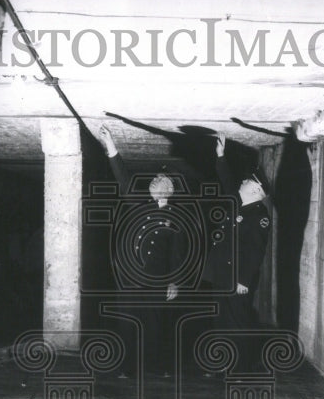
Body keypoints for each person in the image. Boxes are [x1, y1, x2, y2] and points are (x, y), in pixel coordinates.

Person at [95, 125, 188, 376]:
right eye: (154, 179)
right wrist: (111, 146)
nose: (155, 181)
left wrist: (175, 283)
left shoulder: (177, 218)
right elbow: (123, 179)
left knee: (154, 325)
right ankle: (126, 368)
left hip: (157, 281)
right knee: (127, 323)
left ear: (169, 189)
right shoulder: (139, 205)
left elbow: (177, 255)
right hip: (130, 279)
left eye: (160, 180)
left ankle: (154, 367)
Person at [201, 135, 272, 359]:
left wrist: (244, 279)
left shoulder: (259, 216)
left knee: (237, 320)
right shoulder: (240, 205)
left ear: (255, 191)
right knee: (221, 318)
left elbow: (255, 252)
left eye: (246, 183)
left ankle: (241, 366)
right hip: (223, 274)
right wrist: (220, 156)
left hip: (237, 278)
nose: (241, 183)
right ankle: (224, 361)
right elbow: (228, 182)